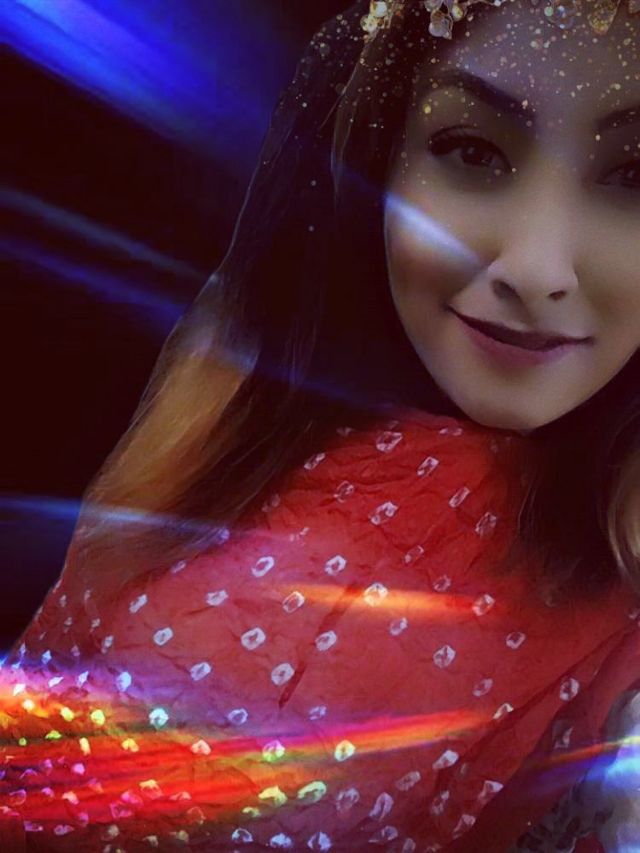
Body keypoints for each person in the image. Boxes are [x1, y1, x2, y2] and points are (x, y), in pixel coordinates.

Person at [2, 0, 640, 849]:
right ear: (377, 152)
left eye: (635, 175)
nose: (535, 267)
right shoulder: (246, 401)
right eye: (472, 151)